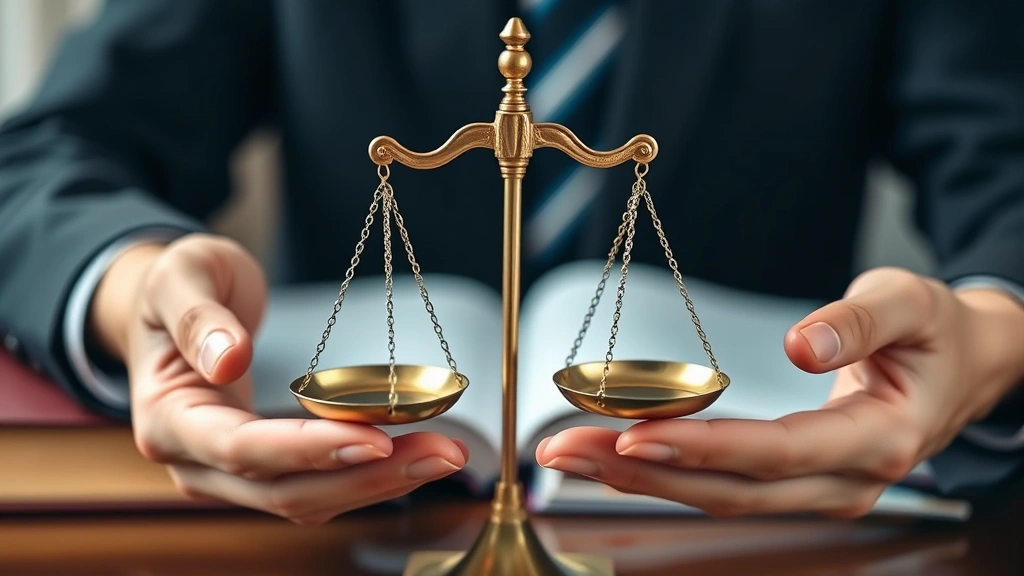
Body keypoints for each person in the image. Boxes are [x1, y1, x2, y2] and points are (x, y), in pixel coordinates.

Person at [1, 0, 1022, 524]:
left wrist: (996, 330)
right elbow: (43, 157)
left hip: (764, 537)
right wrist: (133, 287)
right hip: (345, 522)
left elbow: (1004, 165)